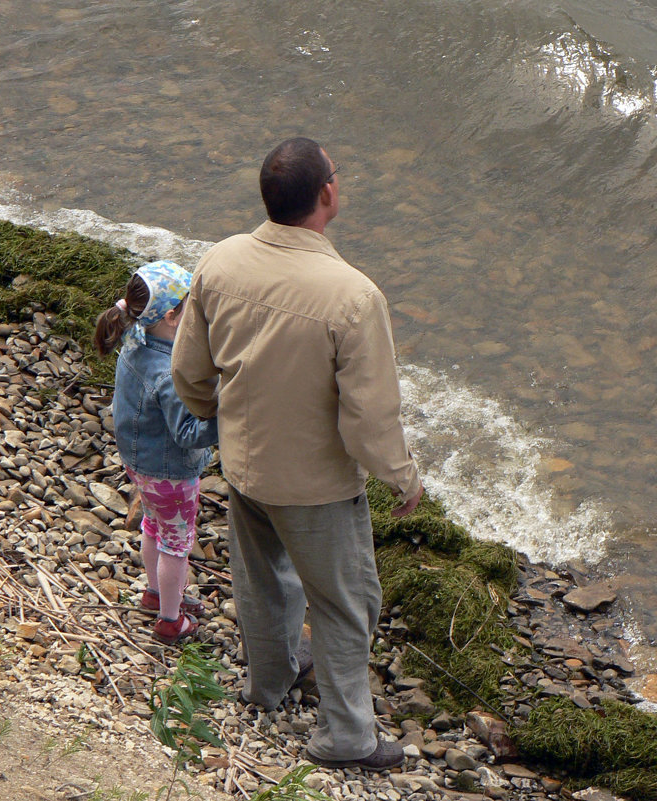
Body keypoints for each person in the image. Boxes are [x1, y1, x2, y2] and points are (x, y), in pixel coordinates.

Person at [171, 137, 423, 771]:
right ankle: (345, 736)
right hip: (317, 485)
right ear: (327, 196)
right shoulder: (353, 296)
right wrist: (402, 478)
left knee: (262, 581)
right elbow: (369, 417)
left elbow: (190, 372)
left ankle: (268, 684)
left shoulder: (220, 264)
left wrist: (214, 417)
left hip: (246, 465)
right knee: (345, 601)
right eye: (336, 175)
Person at [94, 260, 218, 645]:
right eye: (189, 309)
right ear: (170, 317)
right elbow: (186, 434)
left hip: (138, 463)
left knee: (153, 525)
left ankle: (154, 593)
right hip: (170, 474)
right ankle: (169, 619)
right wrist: (226, 415)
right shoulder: (167, 371)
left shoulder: (134, 337)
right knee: (177, 545)